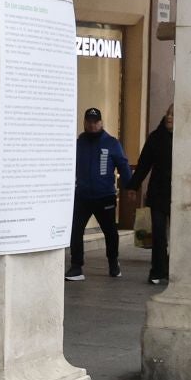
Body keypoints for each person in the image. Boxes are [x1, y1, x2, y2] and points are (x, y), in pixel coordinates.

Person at [68, 106, 132, 280]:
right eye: (89, 122)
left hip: (104, 196)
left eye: (95, 122)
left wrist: (130, 187)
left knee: (110, 231)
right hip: (82, 195)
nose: (92, 125)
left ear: (101, 122)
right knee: (75, 230)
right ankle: (76, 266)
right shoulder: (78, 144)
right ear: (84, 122)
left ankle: (113, 262)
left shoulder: (111, 143)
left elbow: (123, 165)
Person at [130, 104, 174, 284]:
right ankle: (157, 270)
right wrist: (133, 186)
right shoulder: (156, 138)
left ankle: (171, 268)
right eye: (168, 113)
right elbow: (144, 164)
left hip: (179, 196)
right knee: (158, 234)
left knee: (180, 236)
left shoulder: (187, 139)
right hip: (158, 194)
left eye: (174, 114)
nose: (170, 117)